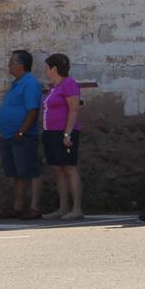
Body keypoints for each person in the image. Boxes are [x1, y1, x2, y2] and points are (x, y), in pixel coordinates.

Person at [0, 49, 43, 220]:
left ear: (21, 65)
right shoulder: (17, 83)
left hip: (23, 136)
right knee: (17, 173)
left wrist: (22, 130)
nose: (9, 65)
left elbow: (33, 110)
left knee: (31, 171)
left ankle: (34, 207)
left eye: (12, 62)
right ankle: (18, 207)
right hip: (11, 136)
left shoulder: (30, 83)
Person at [42, 53, 84, 220]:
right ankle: (63, 207)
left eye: (47, 67)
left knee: (69, 168)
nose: (45, 70)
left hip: (64, 132)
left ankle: (77, 208)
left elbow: (74, 109)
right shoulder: (54, 87)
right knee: (58, 169)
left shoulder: (69, 84)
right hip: (51, 132)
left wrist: (67, 133)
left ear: (54, 68)